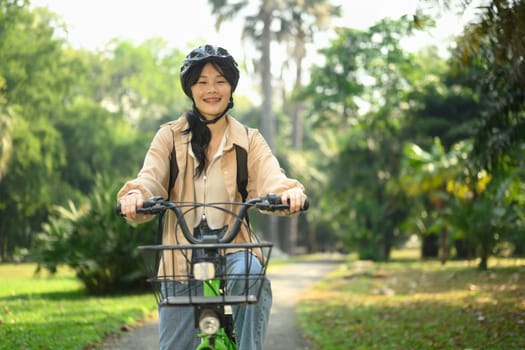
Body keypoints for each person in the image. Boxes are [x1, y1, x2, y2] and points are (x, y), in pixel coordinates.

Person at [117, 44, 307, 350]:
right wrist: (136, 195)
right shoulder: (169, 135)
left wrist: (288, 193)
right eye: (201, 81)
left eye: (220, 81)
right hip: (180, 256)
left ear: (231, 87)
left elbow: (272, 175)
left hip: (235, 250)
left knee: (252, 276)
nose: (211, 89)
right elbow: (150, 176)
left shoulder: (249, 139)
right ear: (190, 89)